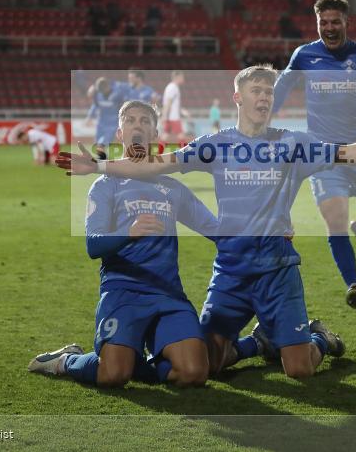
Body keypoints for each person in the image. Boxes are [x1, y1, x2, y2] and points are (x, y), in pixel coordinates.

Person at [57, 65, 356, 380]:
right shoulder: (215, 144)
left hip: (277, 268)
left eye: (269, 92)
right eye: (255, 90)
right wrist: (99, 166)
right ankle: (258, 343)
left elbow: (351, 153)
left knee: (300, 370)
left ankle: (319, 339)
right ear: (238, 97)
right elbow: (158, 163)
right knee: (206, 362)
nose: (263, 97)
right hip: (232, 270)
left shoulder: (295, 144)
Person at [29, 101, 217, 388]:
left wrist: (269, 229)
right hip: (122, 291)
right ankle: (66, 360)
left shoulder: (173, 188)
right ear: (120, 133)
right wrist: (129, 232)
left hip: (167, 293)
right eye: (130, 121)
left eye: (144, 121)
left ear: (155, 134)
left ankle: (135, 360)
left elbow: (217, 230)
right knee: (113, 375)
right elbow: (93, 247)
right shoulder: (105, 186)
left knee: (194, 373)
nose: (137, 125)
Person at [271, 0, 356, 314]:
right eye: (323, 23)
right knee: (334, 219)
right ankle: (354, 286)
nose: (329, 28)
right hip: (323, 154)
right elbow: (279, 92)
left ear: (347, 22)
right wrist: (258, 122)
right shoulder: (305, 55)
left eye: (335, 22)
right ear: (316, 23)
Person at [87, 77, 131, 160]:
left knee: (103, 143)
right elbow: (95, 105)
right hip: (101, 122)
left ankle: (104, 162)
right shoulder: (98, 94)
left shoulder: (118, 93)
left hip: (112, 123)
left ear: (107, 86)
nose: (102, 92)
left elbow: (125, 104)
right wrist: (90, 117)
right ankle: (104, 160)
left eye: (103, 90)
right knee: (97, 144)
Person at [161, 70, 189, 145]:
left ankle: (156, 152)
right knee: (181, 136)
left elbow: (172, 104)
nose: (183, 78)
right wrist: (164, 116)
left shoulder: (172, 87)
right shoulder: (173, 87)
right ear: (177, 77)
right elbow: (168, 103)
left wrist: (182, 111)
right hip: (173, 117)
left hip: (170, 117)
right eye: (182, 77)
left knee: (165, 135)